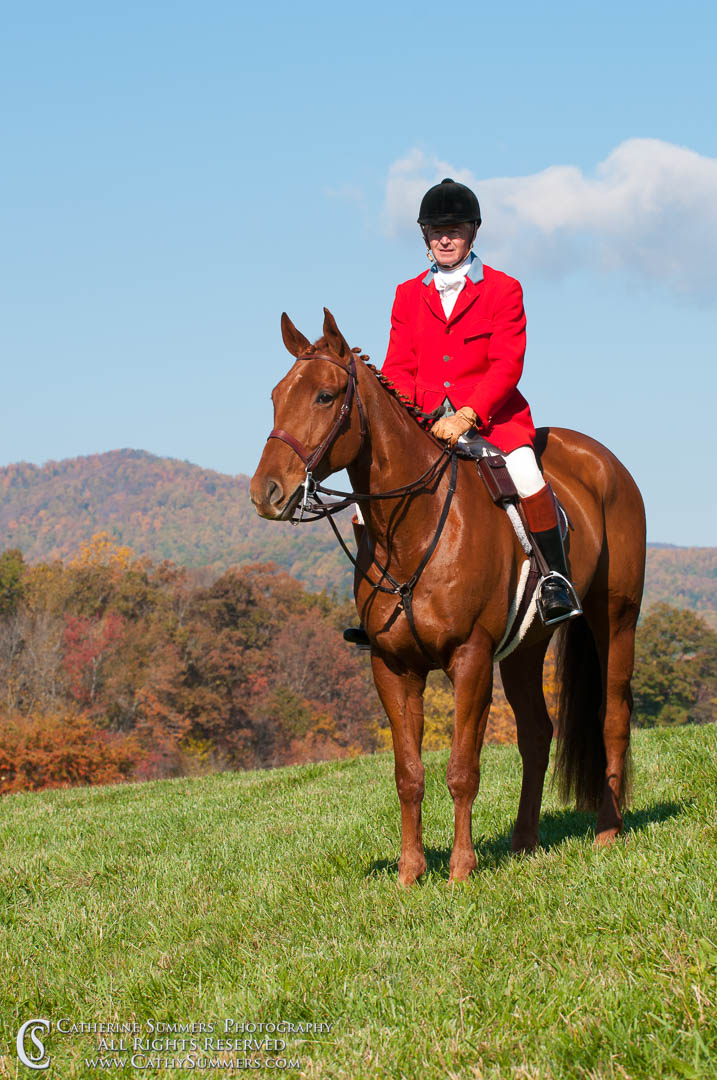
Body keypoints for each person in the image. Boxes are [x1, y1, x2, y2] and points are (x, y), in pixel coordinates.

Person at [343, 178, 580, 648]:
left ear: (472, 233)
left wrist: (469, 413)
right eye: (435, 230)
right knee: (361, 505)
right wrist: (419, 417)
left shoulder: (503, 289)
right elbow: (397, 367)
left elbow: (507, 363)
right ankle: (378, 602)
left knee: (527, 475)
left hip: (493, 417)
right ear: (425, 237)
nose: (444, 238)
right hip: (425, 421)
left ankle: (556, 581)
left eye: (453, 229)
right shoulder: (407, 294)